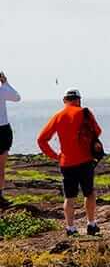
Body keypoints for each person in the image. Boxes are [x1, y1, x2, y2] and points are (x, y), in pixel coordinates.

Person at [37, 89, 102, 236]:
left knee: (69, 197)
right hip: (85, 160)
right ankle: (91, 224)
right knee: (89, 193)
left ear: (64, 100)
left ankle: (70, 228)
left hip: (66, 162)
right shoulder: (84, 112)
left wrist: (55, 156)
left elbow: (41, 139)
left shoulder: (58, 116)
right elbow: (98, 131)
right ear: (79, 99)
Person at [0, 72, 21, 207]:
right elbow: (16, 97)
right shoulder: (2, 91)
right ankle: (0, 196)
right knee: (0, 167)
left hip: (2, 129)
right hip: (2, 130)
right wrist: (5, 82)